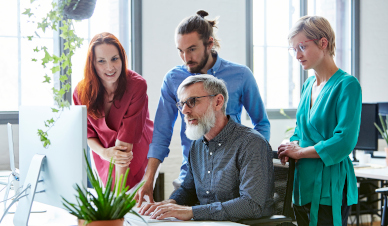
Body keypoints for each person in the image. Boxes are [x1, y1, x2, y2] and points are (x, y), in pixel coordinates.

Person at [135, 10, 270, 205]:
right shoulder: (173, 79)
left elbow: (261, 124)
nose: (185, 57)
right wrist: (149, 180)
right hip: (190, 183)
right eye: (180, 50)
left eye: (191, 49)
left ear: (210, 43)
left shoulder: (240, 75)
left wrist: (252, 163)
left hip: (230, 184)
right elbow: (161, 134)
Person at [139, 74, 274, 221]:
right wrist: (170, 204)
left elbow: (251, 204)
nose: (184, 110)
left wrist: (192, 212)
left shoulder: (251, 143)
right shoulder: (197, 145)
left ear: (218, 102)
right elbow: (188, 190)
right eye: (182, 104)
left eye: (192, 101)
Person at [277, 16, 362, 226]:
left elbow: (344, 141)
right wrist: (291, 144)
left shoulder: (347, 85)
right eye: (293, 49)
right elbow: (300, 130)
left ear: (323, 43)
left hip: (330, 184)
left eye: (302, 47)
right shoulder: (308, 86)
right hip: (303, 180)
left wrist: (301, 152)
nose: (297, 55)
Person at [73, 32, 153, 190]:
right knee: (106, 194)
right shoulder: (81, 92)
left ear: (122, 59)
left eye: (114, 59)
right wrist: (104, 153)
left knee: (127, 199)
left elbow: (126, 142)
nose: (110, 67)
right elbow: (87, 134)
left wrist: (118, 193)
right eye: (101, 61)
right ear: (92, 64)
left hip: (134, 149)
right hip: (102, 151)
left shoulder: (137, 85)